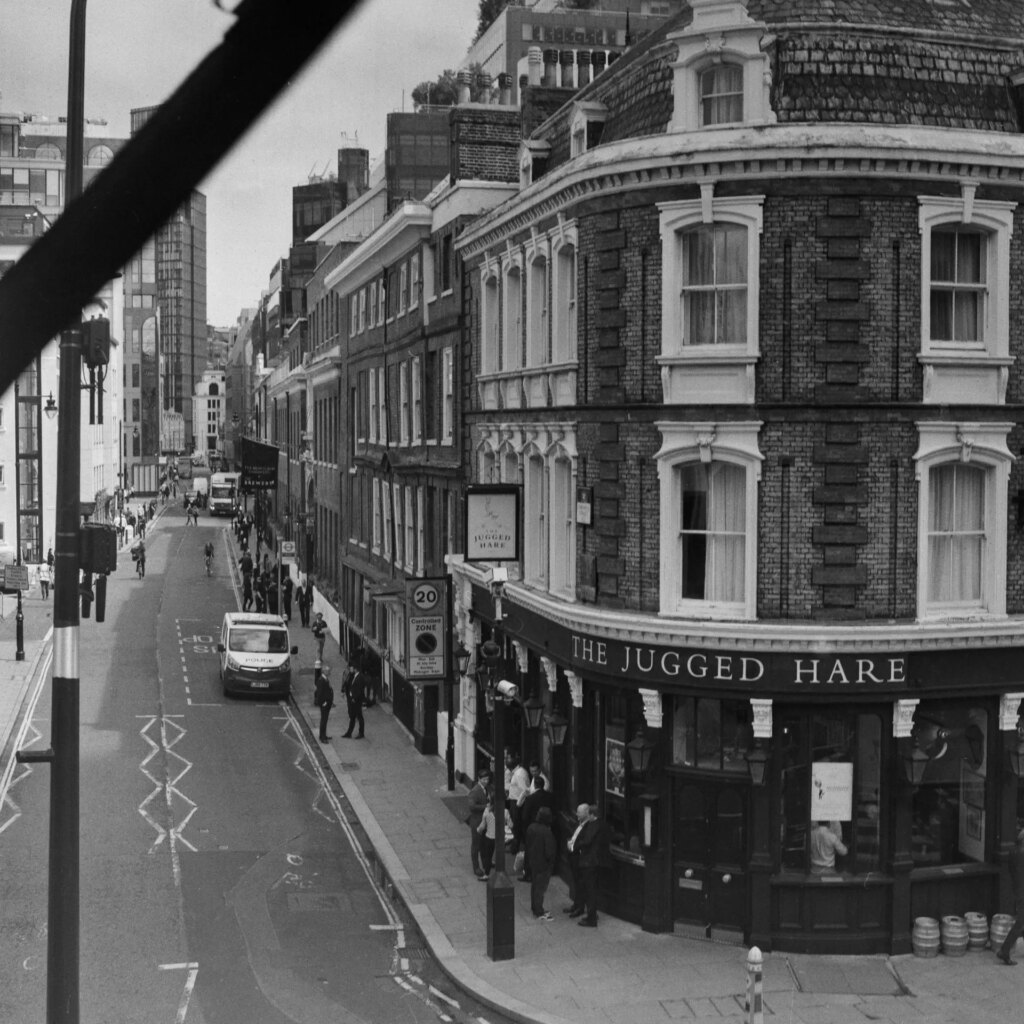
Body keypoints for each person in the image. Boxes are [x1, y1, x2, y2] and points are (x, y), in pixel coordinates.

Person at [574, 803, 611, 928]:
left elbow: (587, 841)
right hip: (600, 861)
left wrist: (576, 845)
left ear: (592, 815)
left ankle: (591, 918)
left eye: (588, 814)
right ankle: (592, 914)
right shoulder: (603, 825)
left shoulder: (593, 826)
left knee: (590, 890)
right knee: (593, 888)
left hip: (590, 861)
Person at [518, 776, 555, 881]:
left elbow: (525, 816)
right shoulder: (550, 797)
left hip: (533, 828)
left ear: (534, 785)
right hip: (547, 827)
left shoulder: (530, 798)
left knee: (531, 851)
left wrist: (524, 830)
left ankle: (529, 874)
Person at [997, 828, 1024, 965]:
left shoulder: (1013, 852)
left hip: (1017, 889)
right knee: (1020, 923)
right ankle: (1005, 950)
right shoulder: (1022, 855)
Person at [525, 806, 557, 921]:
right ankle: (539, 911)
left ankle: (535, 907)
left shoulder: (531, 827)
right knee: (540, 888)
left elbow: (527, 845)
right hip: (543, 864)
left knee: (535, 886)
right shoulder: (546, 832)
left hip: (533, 862)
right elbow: (549, 851)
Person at [466, 768, 492, 880]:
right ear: (479, 779)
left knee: (484, 843)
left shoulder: (485, 788)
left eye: (487, 779)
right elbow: (471, 806)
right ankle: (476, 867)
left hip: (484, 820)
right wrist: (485, 807)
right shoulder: (475, 791)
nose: (486, 781)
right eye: (484, 779)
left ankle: (486, 861)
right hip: (477, 821)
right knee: (476, 844)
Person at [341, 661, 366, 739]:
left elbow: (359, 690)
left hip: (357, 701)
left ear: (355, 669)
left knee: (359, 717)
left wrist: (354, 699)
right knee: (352, 717)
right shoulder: (353, 675)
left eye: (351, 668)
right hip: (353, 700)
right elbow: (348, 684)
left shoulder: (360, 677)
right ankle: (349, 733)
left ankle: (361, 733)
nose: (350, 669)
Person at [314, 663, 334, 743]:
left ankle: (324, 735)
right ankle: (322, 737)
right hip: (324, 704)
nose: (329, 672)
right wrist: (323, 703)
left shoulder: (325, 679)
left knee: (325, 720)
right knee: (323, 720)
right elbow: (319, 694)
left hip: (327, 703)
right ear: (324, 671)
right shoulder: (321, 680)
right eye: (328, 671)